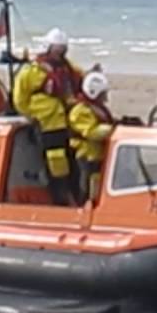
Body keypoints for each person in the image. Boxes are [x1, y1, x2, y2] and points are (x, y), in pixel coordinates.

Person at [12, 27, 102, 205]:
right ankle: (59, 197)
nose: (60, 54)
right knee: (55, 164)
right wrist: (30, 114)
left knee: (73, 163)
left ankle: (74, 196)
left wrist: (93, 74)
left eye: (62, 50)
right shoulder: (32, 72)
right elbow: (19, 98)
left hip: (66, 123)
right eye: (56, 50)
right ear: (48, 48)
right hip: (46, 124)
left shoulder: (68, 69)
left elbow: (82, 80)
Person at [68, 72, 115, 204]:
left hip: (98, 154)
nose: (105, 97)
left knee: (97, 185)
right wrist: (113, 129)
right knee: (87, 187)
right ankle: (83, 206)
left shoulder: (95, 108)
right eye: (103, 94)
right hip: (86, 156)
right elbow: (91, 131)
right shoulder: (80, 111)